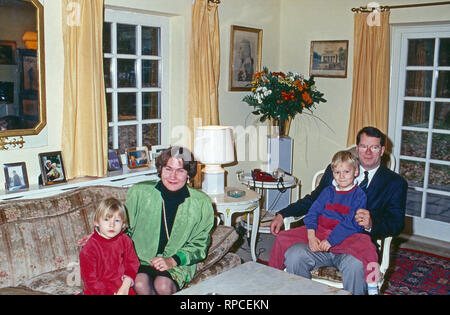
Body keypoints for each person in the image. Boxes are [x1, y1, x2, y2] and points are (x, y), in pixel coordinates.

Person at [269, 126, 408, 295]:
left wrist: (372, 223)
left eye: (375, 147)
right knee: (294, 255)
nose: (368, 152)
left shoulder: (395, 183)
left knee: (356, 266)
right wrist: (283, 213)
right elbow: (314, 200)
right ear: (357, 149)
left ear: (383, 150)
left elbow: (396, 223)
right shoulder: (337, 170)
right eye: (364, 146)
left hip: (354, 245)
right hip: (321, 241)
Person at [269, 150, 380, 295]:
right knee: (283, 238)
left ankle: (373, 284)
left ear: (356, 171)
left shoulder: (359, 195)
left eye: (346, 171)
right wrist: (311, 235)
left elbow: (351, 223)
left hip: (346, 237)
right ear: (332, 172)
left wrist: (331, 240)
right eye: (337, 172)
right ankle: (271, 276)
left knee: (369, 249)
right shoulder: (328, 191)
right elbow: (312, 213)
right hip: (321, 232)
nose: (341, 176)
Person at [126, 146, 214, 295]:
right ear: (160, 170)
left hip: (178, 263)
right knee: (140, 283)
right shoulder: (139, 193)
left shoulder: (202, 203)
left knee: (163, 285)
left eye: (180, 171)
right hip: (141, 258)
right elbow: (123, 226)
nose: (173, 176)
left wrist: (173, 260)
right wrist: (102, 236)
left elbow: (200, 243)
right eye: (168, 169)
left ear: (188, 175)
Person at [79, 198, 140, 295]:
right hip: (98, 291)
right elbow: (90, 281)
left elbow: (132, 264)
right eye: (106, 219)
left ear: (123, 224)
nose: (112, 225)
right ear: (96, 222)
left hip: (123, 288)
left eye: (117, 220)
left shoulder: (126, 241)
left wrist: (126, 285)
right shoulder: (89, 249)